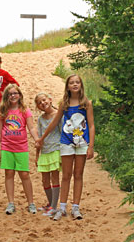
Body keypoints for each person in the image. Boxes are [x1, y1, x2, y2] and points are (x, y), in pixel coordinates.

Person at [36, 74, 95, 221]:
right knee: (66, 175)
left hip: (82, 143)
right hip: (66, 142)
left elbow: (91, 124)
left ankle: (76, 207)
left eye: (77, 82)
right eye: (72, 83)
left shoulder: (86, 103)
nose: (75, 85)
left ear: (81, 85)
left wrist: (91, 146)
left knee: (78, 174)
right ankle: (62, 207)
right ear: (67, 86)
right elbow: (55, 122)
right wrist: (42, 138)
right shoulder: (64, 103)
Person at [0, 84, 39, 215]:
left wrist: (37, 139)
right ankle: (11, 203)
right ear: (6, 96)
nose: (13, 96)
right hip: (7, 147)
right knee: (9, 173)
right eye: (10, 94)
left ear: (20, 95)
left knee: (24, 174)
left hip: (21, 147)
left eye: (15, 93)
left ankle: (31, 203)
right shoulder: (3, 110)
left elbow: (31, 127)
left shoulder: (24, 110)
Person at [34, 92, 61, 217]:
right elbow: (39, 138)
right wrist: (37, 155)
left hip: (55, 149)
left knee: (54, 177)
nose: (42, 103)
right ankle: (50, 203)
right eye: (39, 103)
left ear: (50, 100)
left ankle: (54, 206)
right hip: (45, 151)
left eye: (44, 100)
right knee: (45, 179)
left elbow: (62, 132)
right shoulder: (40, 119)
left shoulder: (58, 115)